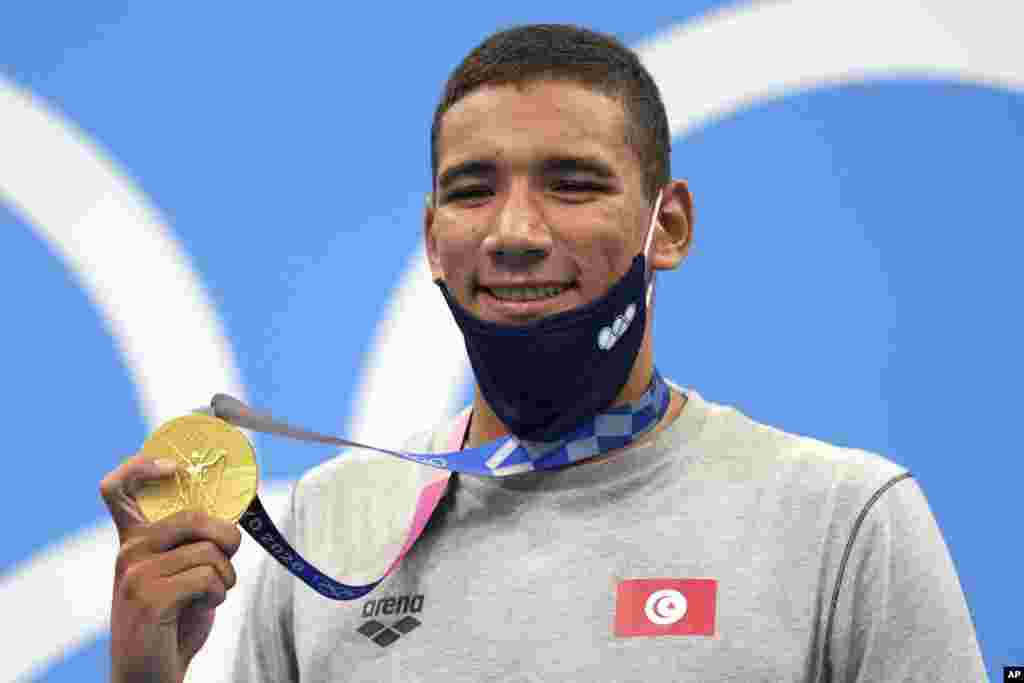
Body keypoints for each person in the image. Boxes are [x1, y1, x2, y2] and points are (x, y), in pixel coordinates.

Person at [101, 23, 987, 683]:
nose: (515, 233)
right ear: (432, 237)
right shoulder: (326, 527)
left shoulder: (844, 521)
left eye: (572, 184)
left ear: (666, 226)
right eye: (473, 190)